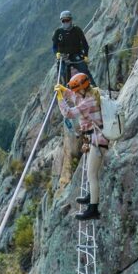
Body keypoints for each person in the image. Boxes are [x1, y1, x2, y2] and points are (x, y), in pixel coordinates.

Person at [55, 73, 108, 220]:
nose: (77, 93)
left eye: (78, 90)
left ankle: (93, 209)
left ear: (83, 89)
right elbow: (75, 97)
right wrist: (65, 90)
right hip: (95, 139)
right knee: (91, 173)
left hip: (97, 141)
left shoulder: (88, 101)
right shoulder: (89, 94)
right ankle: (91, 196)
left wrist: (60, 99)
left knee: (92, 174)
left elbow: (68, 113)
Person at [52, 10, 96, 87]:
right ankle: (68, 91)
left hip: (75, 54)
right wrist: (57, 53)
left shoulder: (77, 30)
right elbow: (54, 46)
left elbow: (85, 44)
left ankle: (94, 87)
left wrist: (85, 55)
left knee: (84, 70)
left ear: (71, 20)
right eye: (63, 20)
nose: (65, 22)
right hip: (63, 57)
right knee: (63, 73)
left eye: (67, 20)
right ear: (61, 21)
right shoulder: (58, 32)